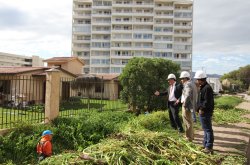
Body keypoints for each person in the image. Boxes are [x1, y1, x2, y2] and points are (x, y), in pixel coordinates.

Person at [194, 70, 214, 154]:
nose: (196, 81)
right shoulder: (203, 87)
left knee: (208, 129)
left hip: (205, 112)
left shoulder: (207, 88)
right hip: (203, 111)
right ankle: (205, 144)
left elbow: (206, 101)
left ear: (201, 79)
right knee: (205, 129)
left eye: (197, 79)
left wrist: (201, 109)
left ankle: (209, 147)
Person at [180, 71, 196, 142]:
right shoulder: (192, 84)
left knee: (187, 121)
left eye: (182, 78)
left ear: (186, 78)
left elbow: (188, 95)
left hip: (186, 106)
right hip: (190, 105)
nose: (181, 80)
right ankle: (191, 136)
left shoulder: (188, 84)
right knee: (189, 121)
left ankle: (188, 137)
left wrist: (185, 104)